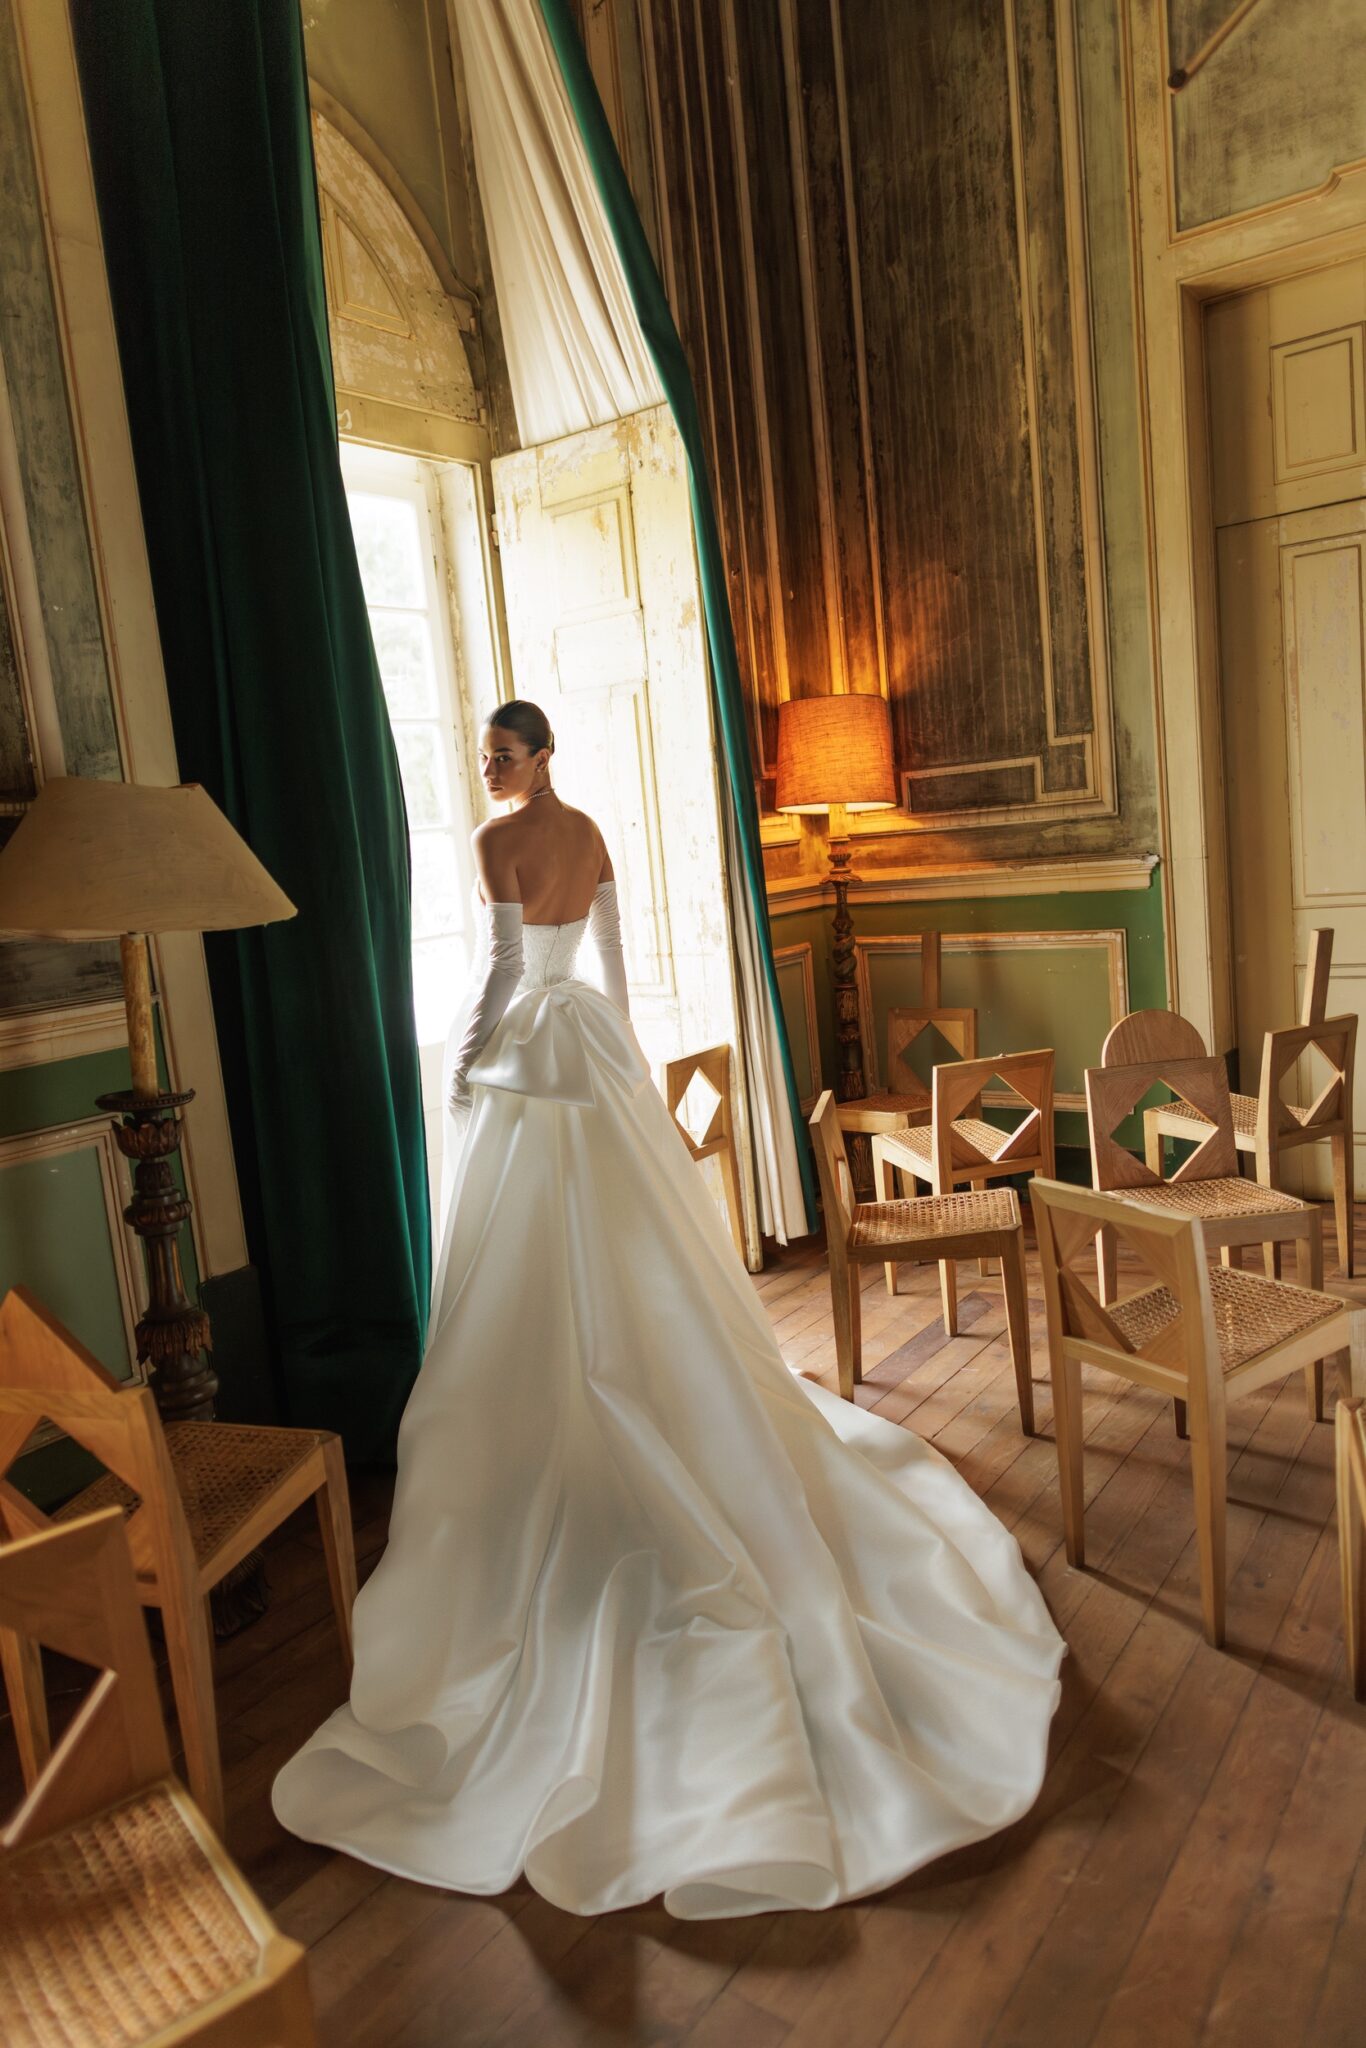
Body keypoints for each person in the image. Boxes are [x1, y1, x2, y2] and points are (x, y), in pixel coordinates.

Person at [273, 698, 1063, 1920]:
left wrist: (465, 1069)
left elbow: (501, 972)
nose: (488, 769)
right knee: (628, 1254)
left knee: (540, 1260)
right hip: (588, 1047)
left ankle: (565, 1418)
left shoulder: (496, 843)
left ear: (542, 754)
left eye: (503, 754)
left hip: (531, 1055)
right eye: (483, 756)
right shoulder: (588, 830)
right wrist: (628, 1066)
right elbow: (612, 966)